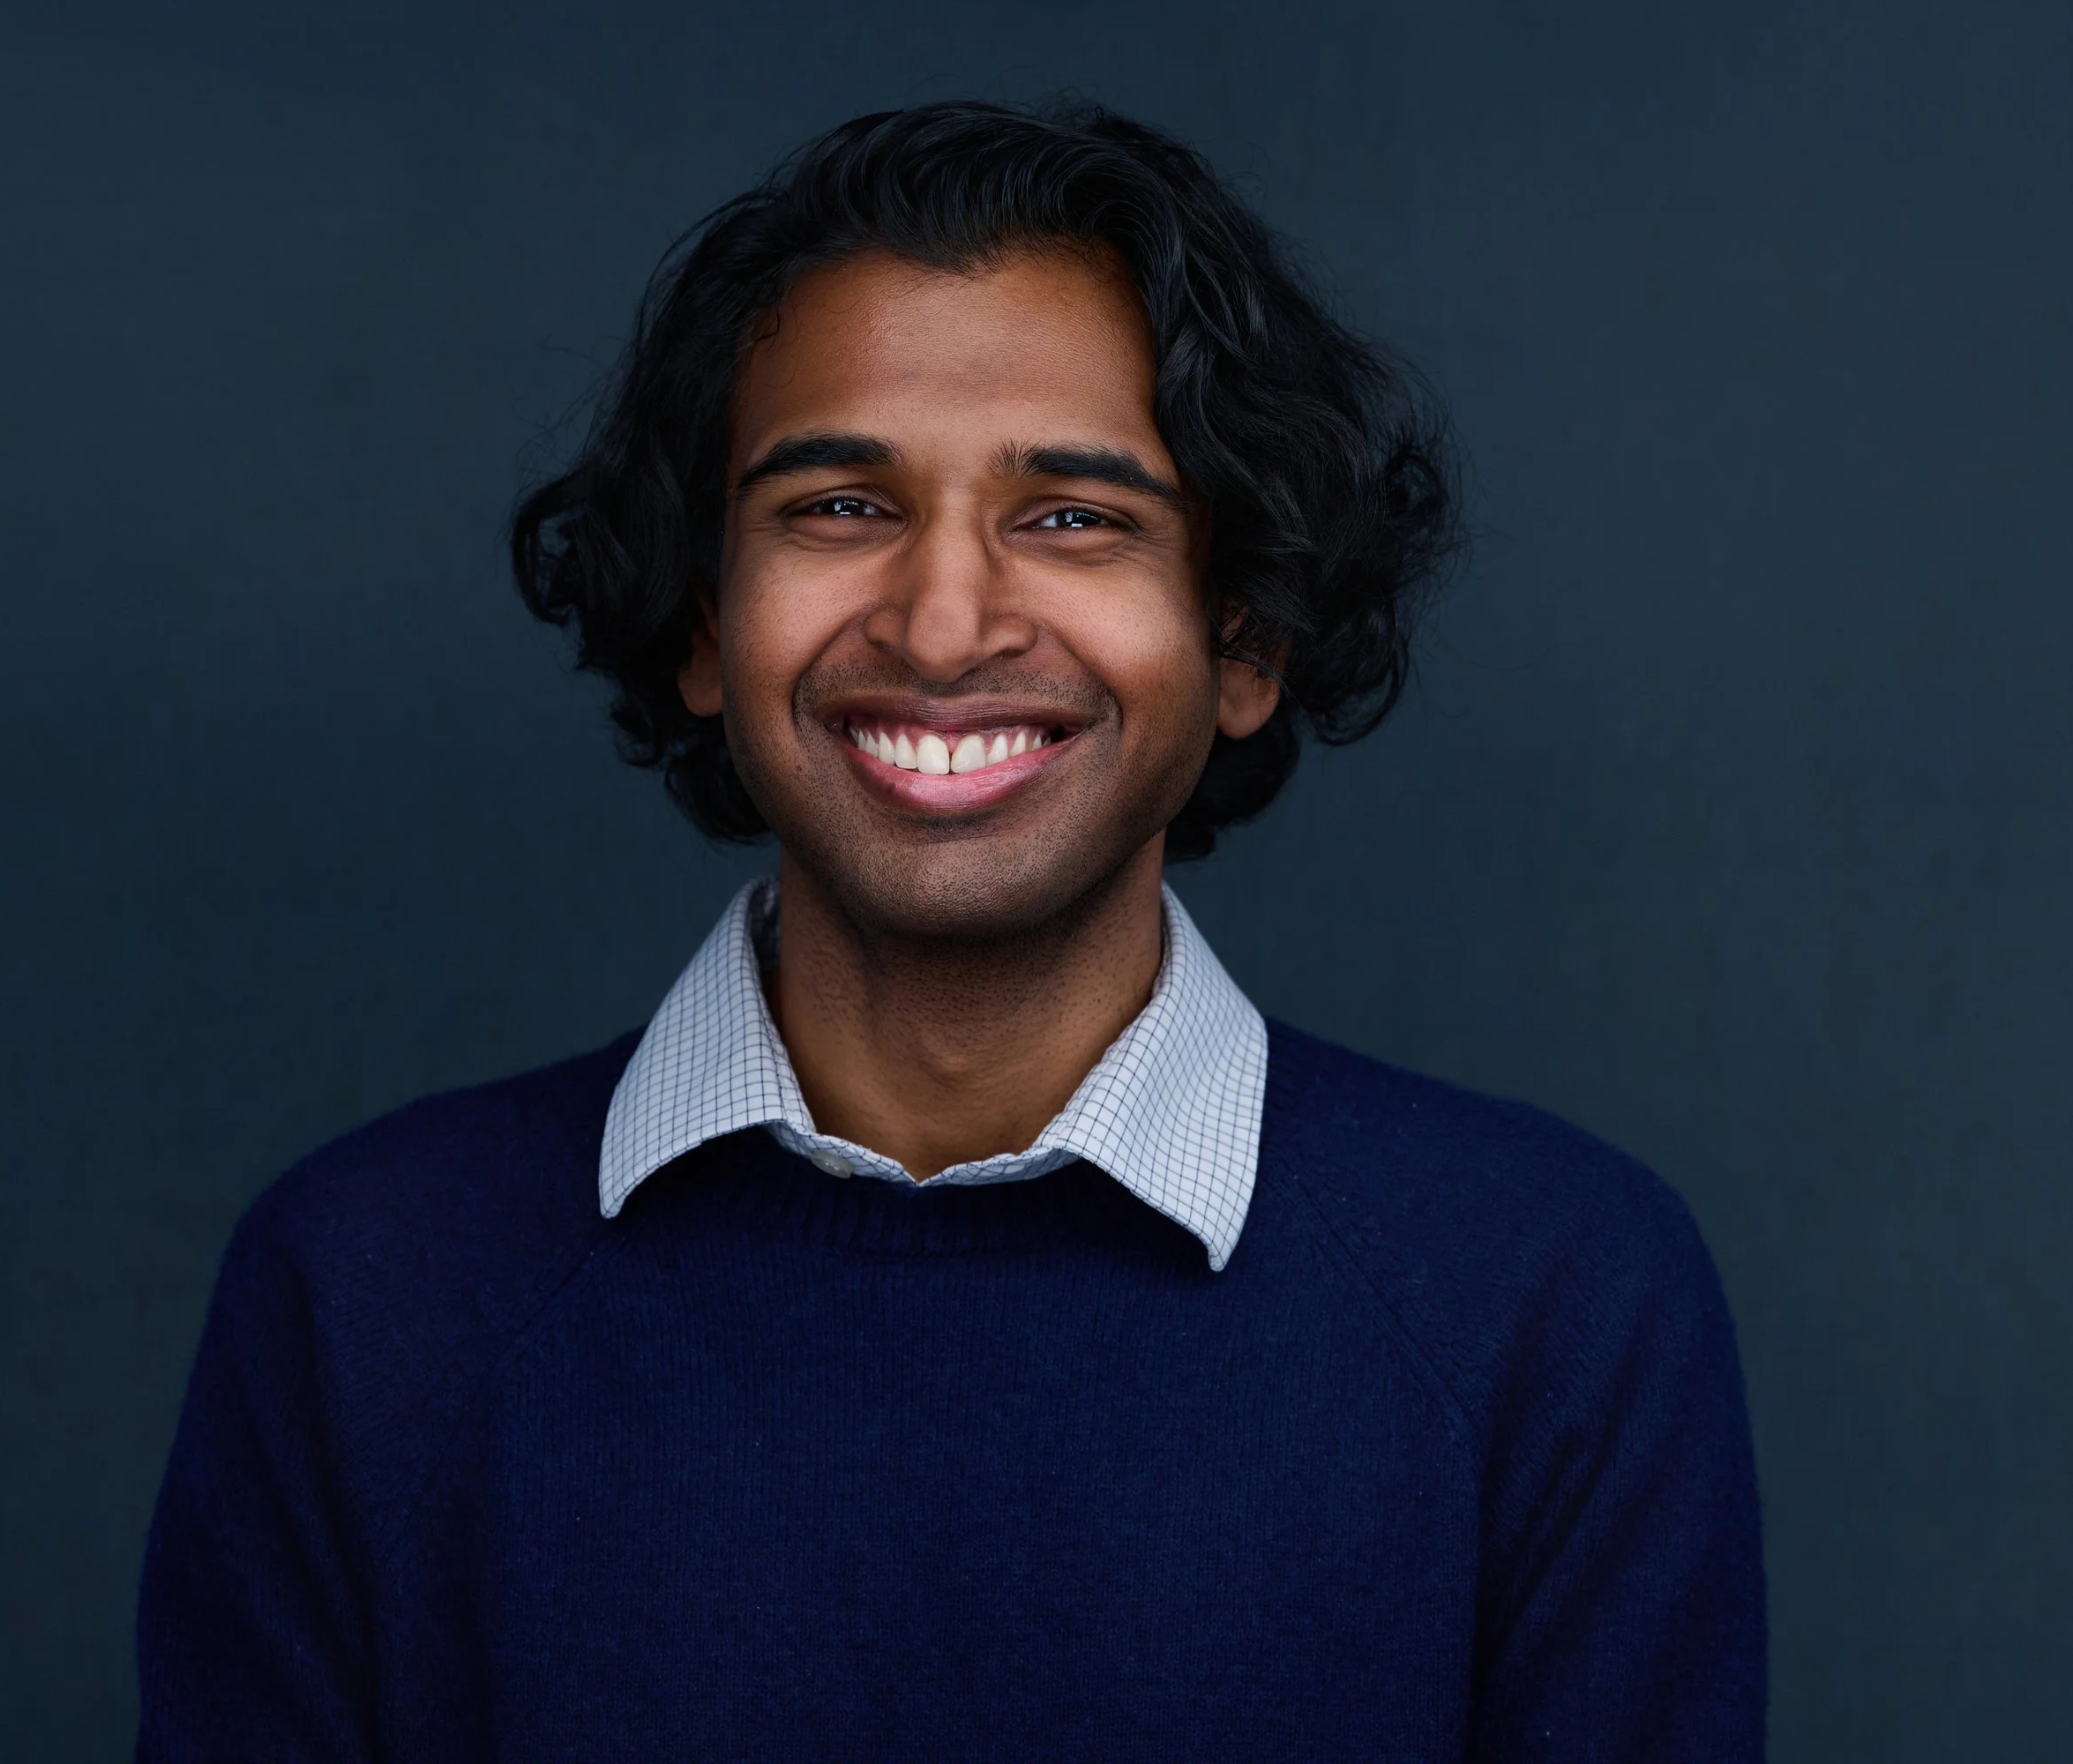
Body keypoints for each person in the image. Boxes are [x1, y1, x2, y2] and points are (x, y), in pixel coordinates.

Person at [137, 100, 1764, 1760]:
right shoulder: (361, 1294)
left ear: (1248, 640)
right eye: (839, 505)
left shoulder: (1553, 1303)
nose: (943, 621)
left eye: (1073, 515)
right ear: (705, 622)